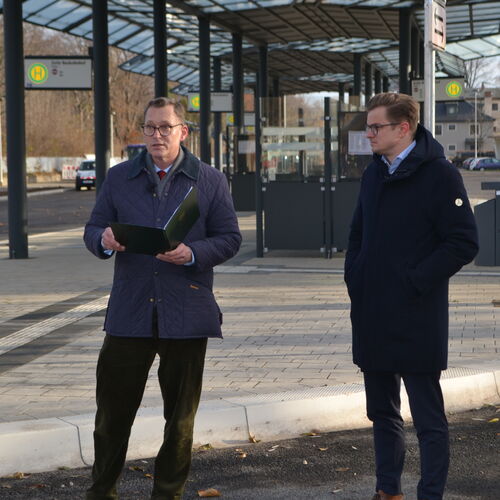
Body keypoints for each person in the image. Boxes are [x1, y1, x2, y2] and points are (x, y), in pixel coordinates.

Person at [84, 97, 241, 500]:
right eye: (149, 128)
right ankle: (102, 491)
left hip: (186, 311)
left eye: (165, 128)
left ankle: (168, 493)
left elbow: (230, 238)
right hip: (129, 312)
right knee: (112, 417)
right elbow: (94, 228)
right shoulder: (119, 178)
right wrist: (101, 240)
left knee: (180, 420)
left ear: (182, 131)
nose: (156, 136)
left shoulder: (209, 180)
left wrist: (192, 254)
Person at [344, 93, 478, 500]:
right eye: (367, 127)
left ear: (403, 128)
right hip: (372, 313)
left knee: (428, 419)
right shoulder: (373, 173)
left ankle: (430, 494)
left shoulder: (440, 175)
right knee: (381, 413)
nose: (368, 134)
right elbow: (357, 235)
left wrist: (414, 281)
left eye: (376, 127)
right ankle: (388, 491)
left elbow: (463, 242)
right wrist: (357, 276)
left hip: (417, 315)